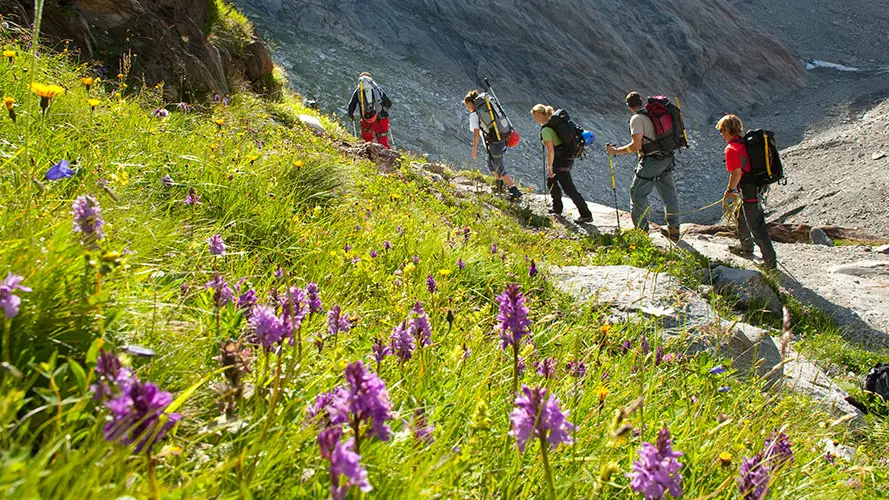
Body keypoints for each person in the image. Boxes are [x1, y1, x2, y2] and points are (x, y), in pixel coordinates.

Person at [606, 91, 681, 241]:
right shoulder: (654, 114)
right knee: (669, 194)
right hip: (667, 157)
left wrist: (615, 151)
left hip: (652, 161)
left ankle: (642, 232)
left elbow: (636, 145)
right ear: (641, 101)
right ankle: (674, 230)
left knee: (637, 193)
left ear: (628, 106)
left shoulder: (637, 119)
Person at [717, 114, 777, 269]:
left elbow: (736, 172)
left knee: (756, 225)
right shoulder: (744, 144)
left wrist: (730, 190)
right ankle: (746, 247)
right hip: (756, 186)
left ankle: (770, 262)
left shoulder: (731, 149)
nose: (721, 135)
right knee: (741, 216)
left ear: (727, 130)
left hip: (748, 190)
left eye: (721, 131)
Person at [530, 104, 593, 223]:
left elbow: (550, 150)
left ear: (539, 115)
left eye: (535, 116)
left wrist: (550, 167)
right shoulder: (554, 125)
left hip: (559, 160)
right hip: (567, 158)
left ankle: (586, 214)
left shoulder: (546, 130)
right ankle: (557, 208)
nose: (534, 119)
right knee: (552, 182)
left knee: (568, 188)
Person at [463, 90, 522, 200]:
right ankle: (499, 185)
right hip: (500, 139)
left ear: (471, 103)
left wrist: (474, 149)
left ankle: (514, 191)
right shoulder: (486, 110)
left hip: (494, 143)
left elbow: (476, 133)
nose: (467, 108)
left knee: (499, 166)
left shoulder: (474, 115)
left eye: (467, 105)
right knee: (490, 163)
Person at [347, 73, 392, 148]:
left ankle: (367, 156)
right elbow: (388, 103)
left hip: (367, 120)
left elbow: (351, 105)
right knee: (383, 142)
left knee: (366, 140)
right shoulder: (378, 89)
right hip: (381, 120)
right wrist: (382, 112)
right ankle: (386, 157)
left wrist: (351, 115)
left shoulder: (358, 91)